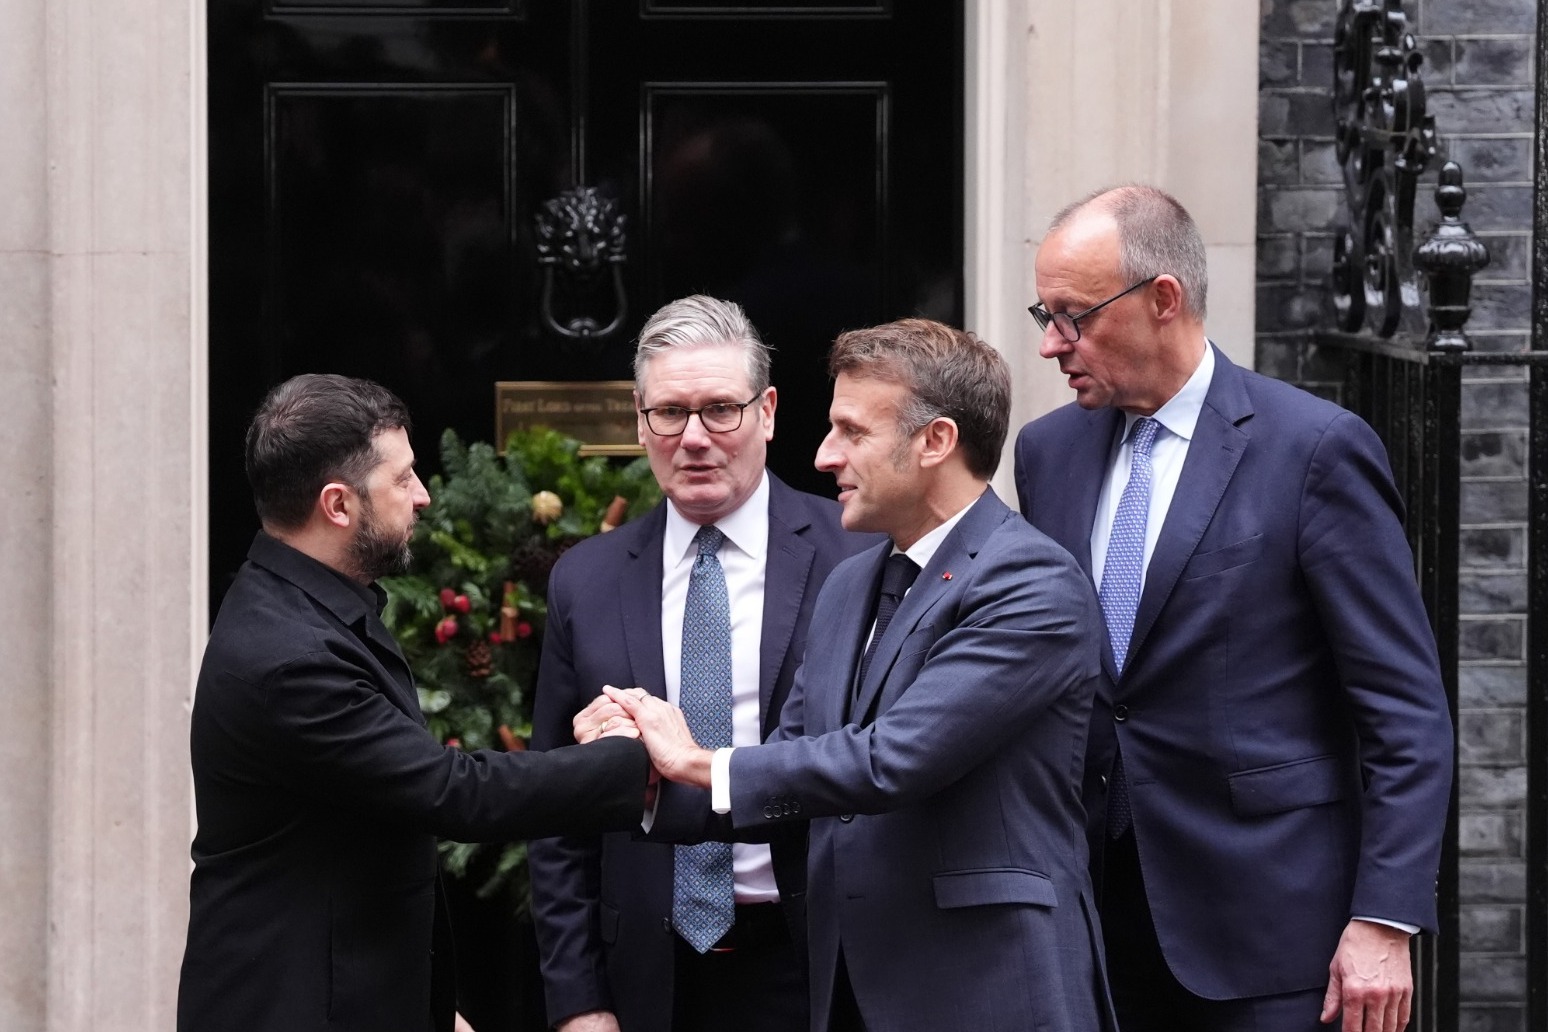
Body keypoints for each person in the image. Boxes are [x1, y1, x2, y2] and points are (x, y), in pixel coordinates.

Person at [1013, 185, 1454, 1032]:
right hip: (1092, 924)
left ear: (1163, 299)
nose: (1050, 344)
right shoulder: (1048, 452)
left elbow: (1404, 711)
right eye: (1046, 314)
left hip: (1271, 929)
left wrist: (1385, 918)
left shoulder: (1313, 451)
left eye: (1073, 317)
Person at [597, 318, 1111, 1032]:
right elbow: (791, 766)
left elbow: (893, 759)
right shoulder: (851, 583)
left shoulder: (1031, 582)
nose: (823, 454)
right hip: (850, 989)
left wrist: (695, 759)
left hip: (987, 986)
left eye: (852, 432)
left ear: (935, 442)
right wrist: (648, 772)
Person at [176, 374, 650, 1032]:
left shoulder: (306, 606)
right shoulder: (291, 658)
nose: (423, 495)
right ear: (338, 505)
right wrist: (630, 756)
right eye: (402, 479)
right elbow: (451, 793)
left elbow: (352, 847)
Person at [527, 296, 873, 1032]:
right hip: (645, 975)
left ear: (767, 412)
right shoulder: (585, 580)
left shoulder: (858, 557)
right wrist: (578, 1001)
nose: (693, 438)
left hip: (814, 964)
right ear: (639, 419)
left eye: (720, 410)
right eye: (669, 413)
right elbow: (557, 812)